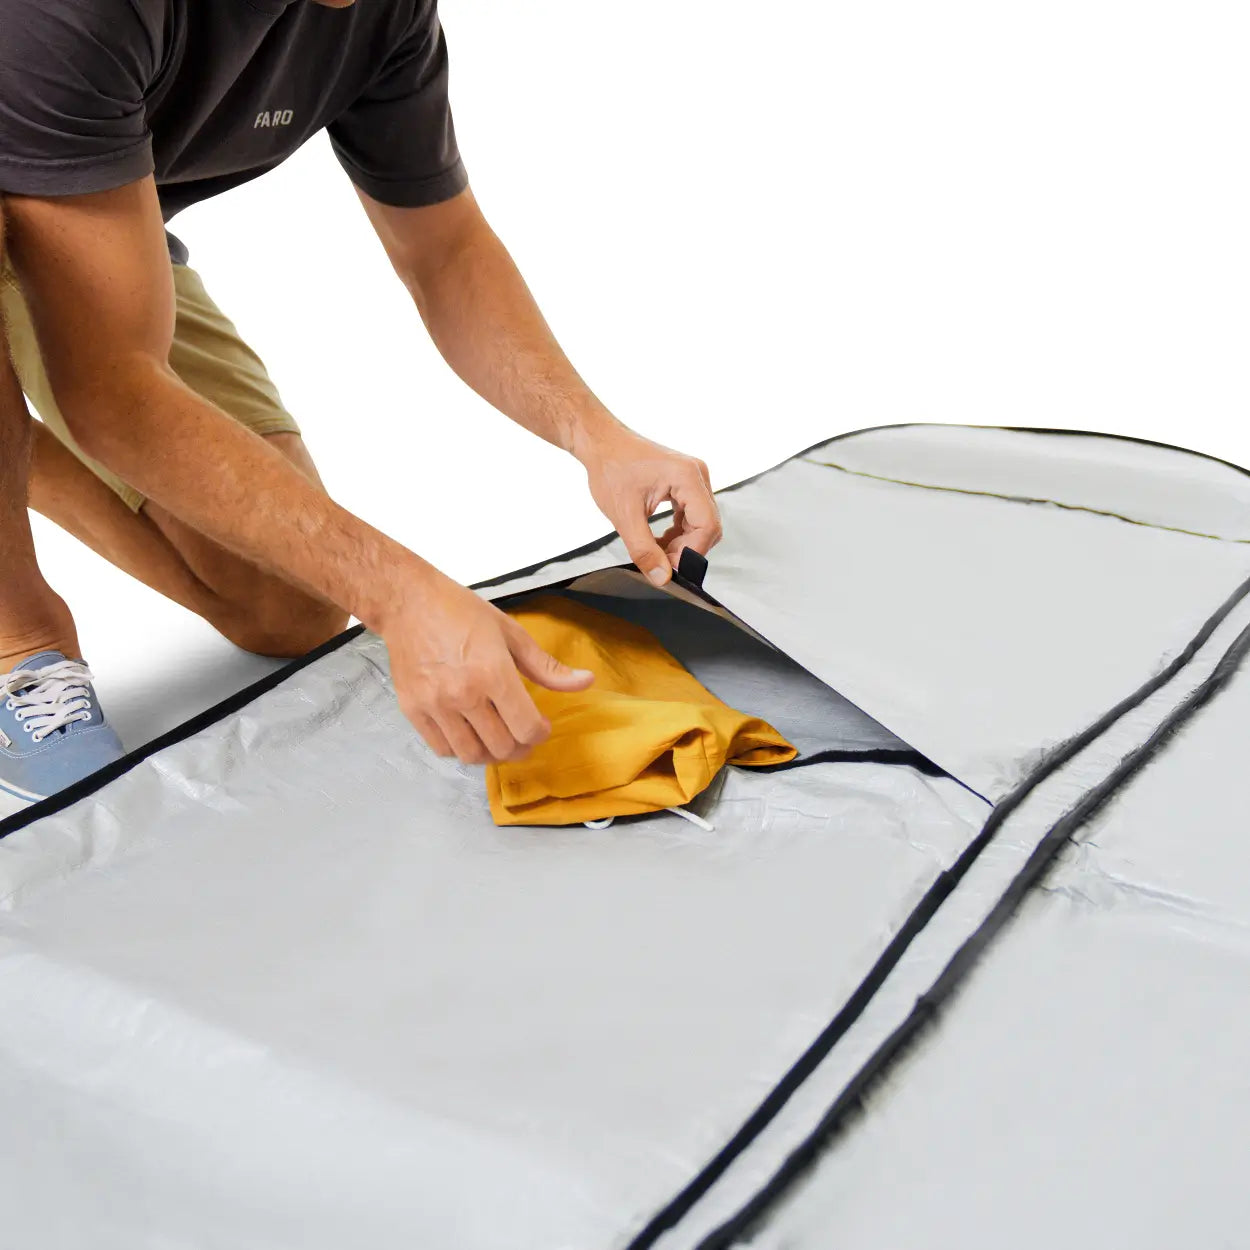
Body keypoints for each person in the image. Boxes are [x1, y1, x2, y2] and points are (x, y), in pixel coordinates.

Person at [0, 0, 723, 806]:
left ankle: (17, 458)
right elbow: (114, 392)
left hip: (71, 226)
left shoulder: (386, 16)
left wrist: (599, 437)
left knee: (289, 606)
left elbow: (445, 253)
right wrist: (400, 594)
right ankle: (19, 647)